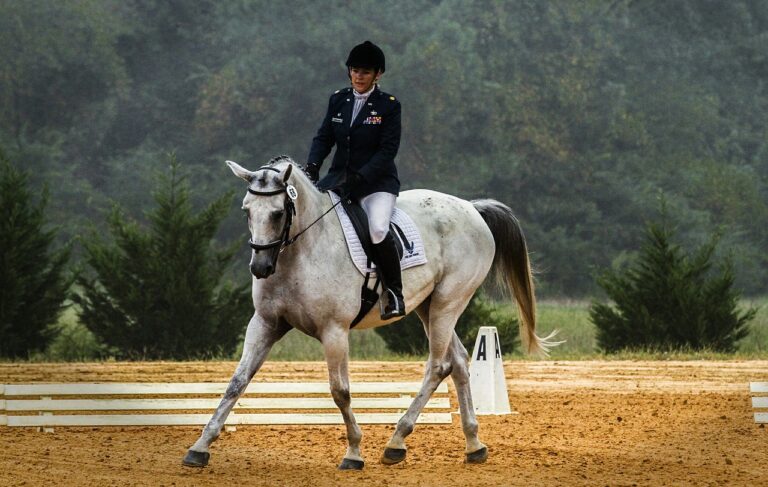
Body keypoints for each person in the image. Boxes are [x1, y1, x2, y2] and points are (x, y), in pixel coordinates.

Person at [305, 40, 405, 320]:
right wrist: (312, 166)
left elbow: (388, 151)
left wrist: (362, 177)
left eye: (365, 72)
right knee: (310, 219)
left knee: (378, 230)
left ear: (377, 74)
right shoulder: (338, 99)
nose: (359, 76)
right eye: (355, 70)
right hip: (339, 179)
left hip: (377, 183)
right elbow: (324, 137)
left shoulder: (389, 106)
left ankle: (394, 292)